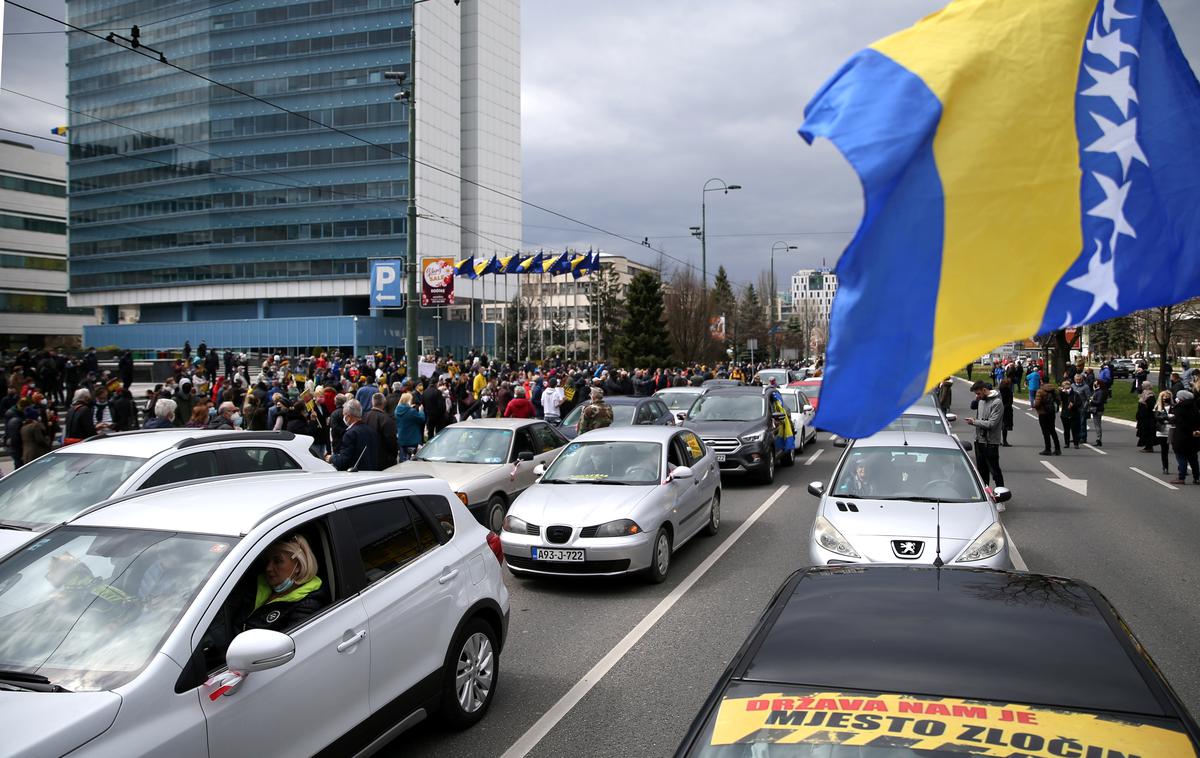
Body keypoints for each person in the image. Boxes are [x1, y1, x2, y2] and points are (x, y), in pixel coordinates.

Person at [203, 534, 329, 668]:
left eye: (277, 561)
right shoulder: (254, 585)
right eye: (267, 561)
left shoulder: (308, 605)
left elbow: (284, 655)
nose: (269, 568)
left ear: (298, 565)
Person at [965, 381, 1005, 490]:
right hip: (979, 441)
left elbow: (992, 424)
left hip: (991, 443)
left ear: (984, 390)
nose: (977, 396)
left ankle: (1000, 496)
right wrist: (976, 422)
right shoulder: (981, 401)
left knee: (995, 471)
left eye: (978, 393)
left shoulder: (997, 403)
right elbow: (977, 413)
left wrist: (974, 422)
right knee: (982, 472)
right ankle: (985, 495)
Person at [328, 398, 377, 471]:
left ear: (349, 416)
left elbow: (343, 461)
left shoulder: (350, 434)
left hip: (356, 475)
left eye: (344, 415)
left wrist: (332, 458)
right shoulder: (371, 430)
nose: (343, 418)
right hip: (372, 472)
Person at [1171, 389, 1200, 484]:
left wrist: (1171, 420)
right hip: (1194, 436)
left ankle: (1181, 477)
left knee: (1181, 457)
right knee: (1193, 459)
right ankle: (1197, 477)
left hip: (1182, 436)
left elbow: (1179, 422)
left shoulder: (1180, 408)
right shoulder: (1195, 407)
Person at [363, 392, 399, 467]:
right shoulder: (387, 419)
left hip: (367, 457)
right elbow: (392, 440)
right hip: (383, 460)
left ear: (372, 402)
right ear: (384, 403)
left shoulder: (364, 417)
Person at [394, 392, 425, 462]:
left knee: (403, 458)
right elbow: (422, 419)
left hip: (401, 438)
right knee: (412, 459)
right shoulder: (411, 412)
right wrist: (421, 411)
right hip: (412, 439)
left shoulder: (396, 411)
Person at [1153, 390, 1174, 476]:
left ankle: (1182, 467)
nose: (1166, 398)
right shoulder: (1158, 407)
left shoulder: (1174, 406)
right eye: (1164, 397)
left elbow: (1175, 417)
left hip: (1172, 430)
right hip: (1162, 431)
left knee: (1177, 450)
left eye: (1167, 397)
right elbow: (1157, 418)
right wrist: (1167, 418)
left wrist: (1166, 418)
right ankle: (1165, 467)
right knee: (1164, 450)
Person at [1136, 381, 1158, 452]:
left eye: (1143, 385)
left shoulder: (1150, 395)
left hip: (1148, 417)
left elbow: (1151, 407)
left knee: (1148, 432)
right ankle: (1146, 446)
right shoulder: (1144, 393)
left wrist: (1144, 407)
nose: (1141, 386)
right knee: (1143, 432)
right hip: (1143, 417)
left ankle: (1149, 447)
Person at [1058, 380, 1079, 449]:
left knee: (1074, 429)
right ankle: (1066, 443)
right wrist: (1060, 392)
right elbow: (1058, 400)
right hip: (1065, 414)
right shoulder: (1062, 394)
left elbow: (1079, 403)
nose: (1066, 389)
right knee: (1066, 430)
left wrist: (1073, 405)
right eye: (1065, 387)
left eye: (1068, 387)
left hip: (1074, 414)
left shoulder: (1075, 394)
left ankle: (1076, 443)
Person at [1089, 379, 1107, 447]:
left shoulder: (1099, 392)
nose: (1094, 384)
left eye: (1095, 383)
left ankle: (1099, 439)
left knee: (1097, 425)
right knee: (1097, 424)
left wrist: (1091, 400)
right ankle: (1098, 439)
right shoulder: (1098, 391)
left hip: (1097, 410)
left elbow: (1099, 402)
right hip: (1098, 409)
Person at [998, 377, 1014, 447]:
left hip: (998, 409)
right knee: (1005, 426)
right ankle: (1005, 441)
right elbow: (1010, 402)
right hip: (1006, 410)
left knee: (998, 425)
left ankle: (997, 440)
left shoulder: (999, 391)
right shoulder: (1009, 391)